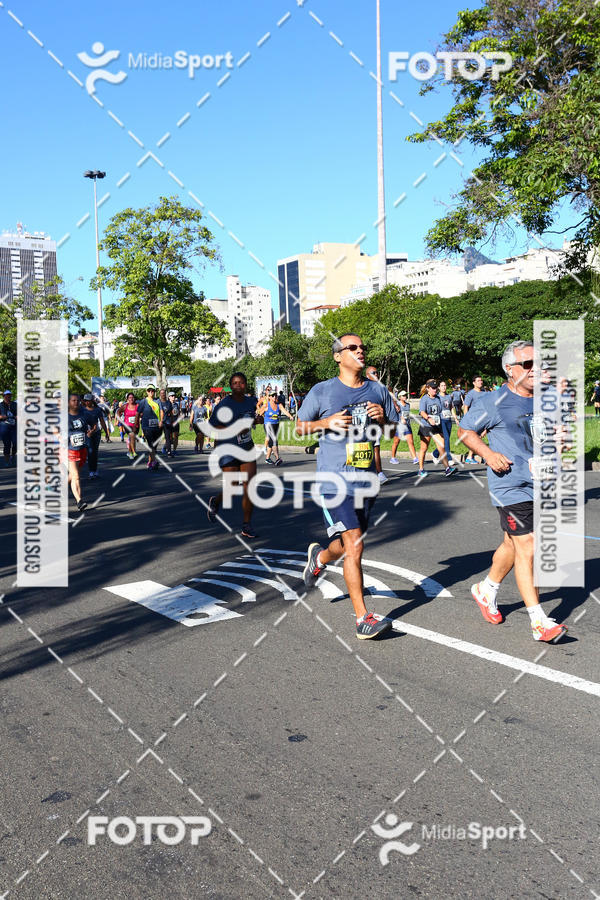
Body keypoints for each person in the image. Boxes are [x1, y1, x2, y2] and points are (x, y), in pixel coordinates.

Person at [459, 340, 567, 643]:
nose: (536, 369)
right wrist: (488, 455)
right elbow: (466, 432)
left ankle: (486, 590)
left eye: (538, 363)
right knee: (527, 546)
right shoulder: (493, 402)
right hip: (509, 484)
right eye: (527, 364)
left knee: (511, 543)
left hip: (539, 481)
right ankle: (539, 622)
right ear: (510, 369)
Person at [298, 333, 399, 640]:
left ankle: (320, 559)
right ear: (338, 356)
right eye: (352, 347)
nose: (360, 350)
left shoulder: (377, 390)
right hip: (334, 480)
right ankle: (362, 618)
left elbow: (395, 427)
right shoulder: (323, 390)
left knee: (346, 545)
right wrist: (325, 424)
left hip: (365, 479)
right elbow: (301, 427)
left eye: (362, 346)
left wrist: (383, 420)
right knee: (354, 545)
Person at [206, 372, 258, 539]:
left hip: (246, 447)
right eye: (235, 383)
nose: (238, 386)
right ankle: (216, 501)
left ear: (246, 385)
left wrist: (257, 420)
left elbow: (252, 417)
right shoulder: (224, 404)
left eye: (241, 383)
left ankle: (247, 525)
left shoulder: (251, 401)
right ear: (230, 386)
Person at [417, 380, 458, 478]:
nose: (435, 390)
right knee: (424, 448)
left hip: (436, 426)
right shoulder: (424, 399)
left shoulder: (439, 398)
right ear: (428, 388)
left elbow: (444, 409)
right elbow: (421, 412)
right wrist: (428, 418)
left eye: (436, 388)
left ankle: (447, 469)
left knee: (441, 445)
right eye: (433, 388)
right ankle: (421, 469)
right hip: (426, 426)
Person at [364, 365, 395, 483]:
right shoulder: (363, 388)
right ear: (367, 376)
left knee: (376, 448)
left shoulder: (381, 389)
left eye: (377, 372)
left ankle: (380, 473)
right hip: (360, 427)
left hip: (375, 425)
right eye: (373, 373)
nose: (376, 375)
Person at [67, 393, 91, 510]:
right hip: (71, 450)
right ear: (68, 403)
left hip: (82, 449)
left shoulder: (83, 415)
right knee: (76, 476)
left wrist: (90, 432)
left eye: (77, 400)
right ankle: (79, 501)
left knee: (72, 475)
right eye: (73, 400)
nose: (76, 402)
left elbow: (91, 426)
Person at [135, 385, 163, 470]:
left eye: (152, 391)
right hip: (147, 427)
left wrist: (161, 421)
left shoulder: (158, 401)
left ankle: (150, 462)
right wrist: (136, 425)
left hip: (157, 427)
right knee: (151, 444)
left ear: (154, 392)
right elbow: (137, 414)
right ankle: (154, 462)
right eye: (149, 390)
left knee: (154, 446)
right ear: (147, 392)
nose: (151, 392)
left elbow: (161, 411)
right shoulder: (143, 402)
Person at [264, 392, 294, 466]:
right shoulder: (267, 404)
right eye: (273, 396)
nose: (274, 397)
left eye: (275, 395)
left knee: (271, 442)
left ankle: (267, 458)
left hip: (276, 424)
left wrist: (290, 416)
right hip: (268, 424)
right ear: (270, 397)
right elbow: (259, 412)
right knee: (274, 440)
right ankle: (277, 458)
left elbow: (284, 411)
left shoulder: (279, 405)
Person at [389, 389, 418, 465]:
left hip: (407, 426)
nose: (405, 396)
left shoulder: (408, 405)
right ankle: (392, 458)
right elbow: (393, 401)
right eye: (403, 395)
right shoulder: (397, 404)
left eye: (405, 395)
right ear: (400, 397)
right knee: (396, 442)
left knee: (411, 442)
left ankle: (415, 458)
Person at [82, 394, 107, 478]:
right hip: (87, 433)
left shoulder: (97, 410)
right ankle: (91, 471)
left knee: (95, 452)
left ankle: (95, 470)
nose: (86, 402)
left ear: (92, 401)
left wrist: (107, 433)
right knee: (90, 451)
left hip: (96, 433)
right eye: (85, 400)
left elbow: (102, 421)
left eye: (88, 400)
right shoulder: (82, 410)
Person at [463, 376, 486, 462]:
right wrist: (467, 420)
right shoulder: (471, 394)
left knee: (479, 438)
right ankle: (470, 457)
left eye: (481, 380)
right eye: (478, 380)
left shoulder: (484, 393)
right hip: (473, 420)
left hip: (483, 419)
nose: (480, 382)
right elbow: (465, 407)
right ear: (474, 383)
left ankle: (471, 456)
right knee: (476, 438)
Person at [0, 389, 17, 467]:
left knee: (15, 443)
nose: (8, 397)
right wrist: (1, 416)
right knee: (7, 444)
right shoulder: (1, 405)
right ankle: (7, 461)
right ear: (4, 396)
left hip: (14, 426)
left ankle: (13, 456)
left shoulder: (14, 404)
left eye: (9, 395)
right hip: (4, 426)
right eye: (7, 395)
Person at [158, 388, 174, 457]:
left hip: (167, 422)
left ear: (165, 394)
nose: (163, 394)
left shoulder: (168, 403)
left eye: (164, 393)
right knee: (156, 437)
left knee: (168, 437)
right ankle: (153, 451)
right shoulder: (157, 402)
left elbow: (171, 413)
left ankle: (169, 452)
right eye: (161, 393)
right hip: (159, 422)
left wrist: (172, 421)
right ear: (160, 394)